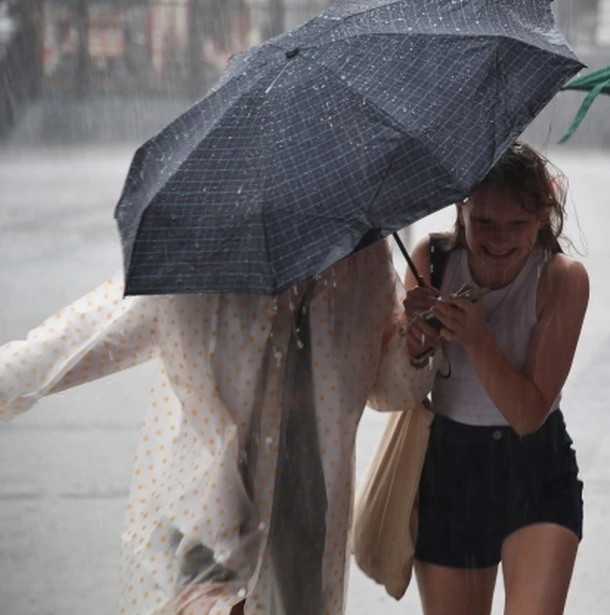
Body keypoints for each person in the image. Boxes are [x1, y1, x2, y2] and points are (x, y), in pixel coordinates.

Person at [0, 238, 439, 615]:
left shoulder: (362, 252)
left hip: (307, 489)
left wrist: (415, 349)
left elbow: (382, 386)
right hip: (215, 486)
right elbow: (99, 330)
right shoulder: (212, 249)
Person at [401, 142, 590, 615]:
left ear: (543, 218)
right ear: (461, 209)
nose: (499, 239)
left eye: (517, 225)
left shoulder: (561, 278)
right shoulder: (431, 261)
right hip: (448, 462)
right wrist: (416, 343)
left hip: (536, 464)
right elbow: (401, 383)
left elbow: (529, 414)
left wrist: (475, 336)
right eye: (484, 221)